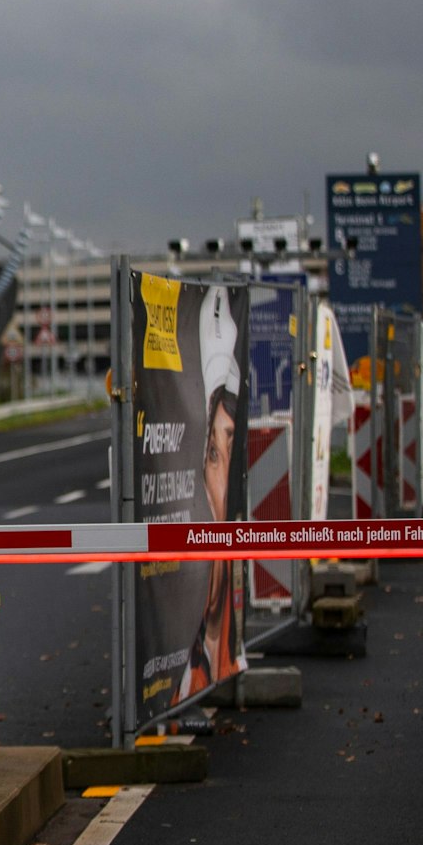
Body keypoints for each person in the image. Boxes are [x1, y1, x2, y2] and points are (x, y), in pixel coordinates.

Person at [178, 286, 244, 704]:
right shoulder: (187, 660)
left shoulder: (222, 636)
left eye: (230, 444)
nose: (218, 478)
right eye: (211, 453)